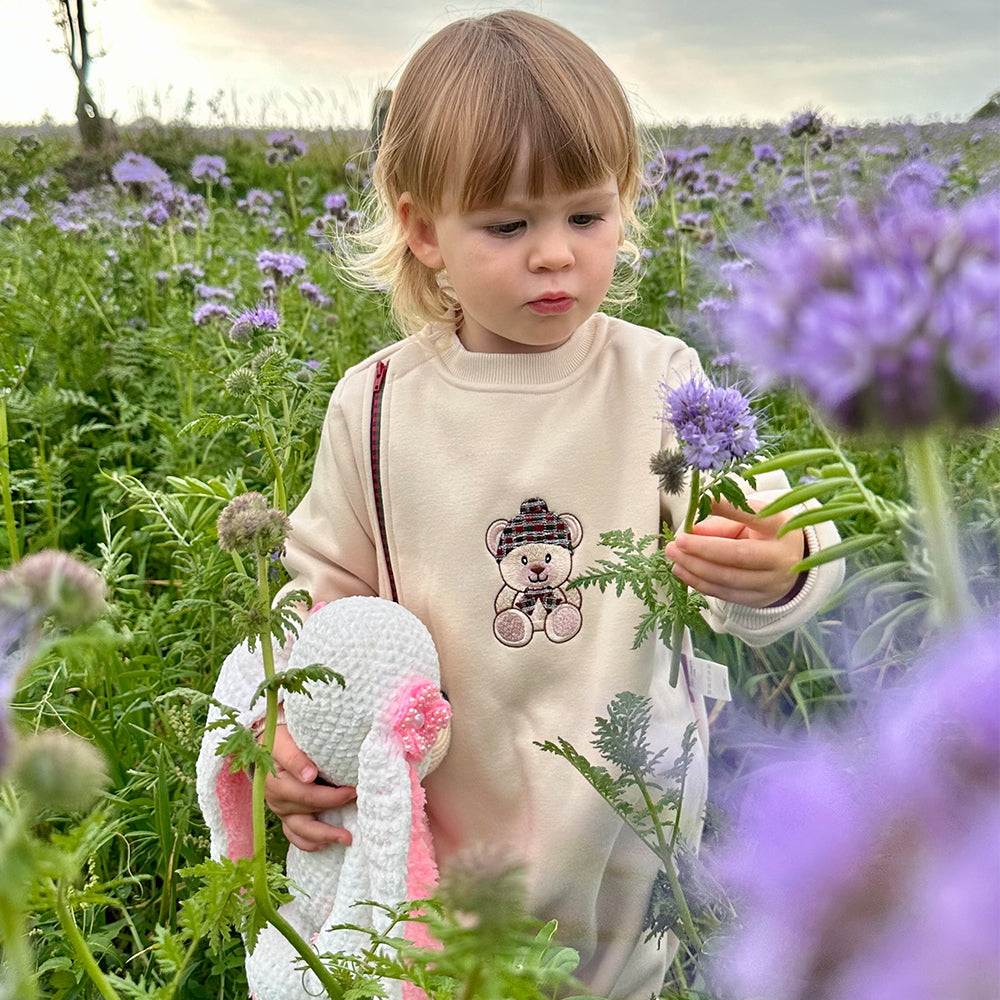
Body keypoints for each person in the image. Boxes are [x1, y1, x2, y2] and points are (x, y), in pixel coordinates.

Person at [207, 10, 844, 998]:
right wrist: (286, 736)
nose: (554, 255)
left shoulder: (658, 378)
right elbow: (314, 609)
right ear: (422, 230)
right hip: (441, 839)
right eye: (508, 225)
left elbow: (755, 503)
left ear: (624, 205)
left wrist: (783, 553)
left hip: (625, 843)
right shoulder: (376, 406)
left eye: (585, 217)